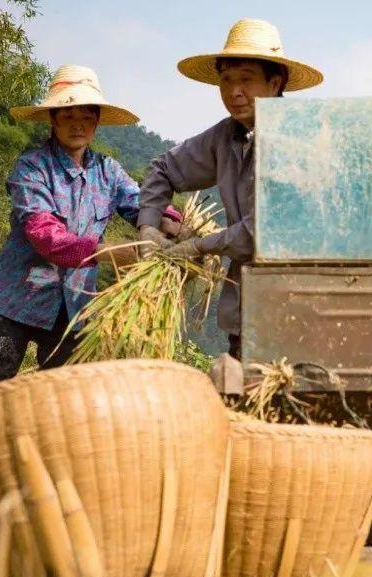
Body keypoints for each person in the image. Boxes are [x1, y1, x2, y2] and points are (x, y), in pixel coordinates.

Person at [0, 65, 180, 389]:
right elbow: (45, 236)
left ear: (97, 121)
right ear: (53, 119)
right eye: (67, 115)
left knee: (63, 402)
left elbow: (141, 203)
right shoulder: (32, 168)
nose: (77, 125)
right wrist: (107, 252)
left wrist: (175, 222)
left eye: (86, 116)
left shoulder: (107, 171)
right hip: (15, 301)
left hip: (72, 312)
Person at [138, 18, 324, 359]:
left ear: (275, 81)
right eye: (226, 81)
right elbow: (162, 170)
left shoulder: (300, 140)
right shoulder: (226, 137)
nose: (234, 92)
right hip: (245, 313)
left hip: (302, 311)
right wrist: (149, 226)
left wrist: (198, 246)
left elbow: (266, 231)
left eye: (246, 80)